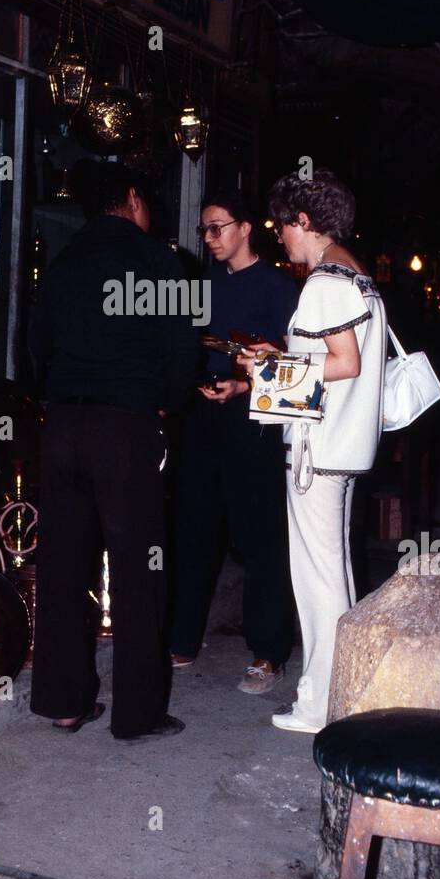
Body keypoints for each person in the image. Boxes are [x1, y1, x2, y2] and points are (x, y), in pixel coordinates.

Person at [29, 160, 198, 741]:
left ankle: (65, 702)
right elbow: (183, 358)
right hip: (125, 430)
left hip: (63, 429)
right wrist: (164, 406)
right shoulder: (159, 262)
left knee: (62, 567)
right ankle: (138, 714)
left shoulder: (62, 263)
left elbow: (35, 349)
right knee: (139, 570)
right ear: (132, 198)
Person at [242, 169, 387, 735]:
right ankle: (342, 691)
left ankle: (322, 704)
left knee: (318, 580)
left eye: (282, 227)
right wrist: (280, 356)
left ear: (304, 221)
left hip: (317, 450)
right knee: (337, 574)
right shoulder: (358, 275)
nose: (280, 238)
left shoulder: (324, 283)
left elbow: (344, 363)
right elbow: (342, 358)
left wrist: (268, 369)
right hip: (344, 447)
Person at [169, 191, 298, 694]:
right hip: (204, 419)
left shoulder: (279, 287)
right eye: (204, 230)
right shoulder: (203, 285)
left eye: (218, 227)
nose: (209, 238)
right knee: (194, 529)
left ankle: (268, 653)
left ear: (246, 228)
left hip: (256, 423)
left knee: (261, 538)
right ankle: (182, 637)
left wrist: (244, 385)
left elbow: (298, 364)